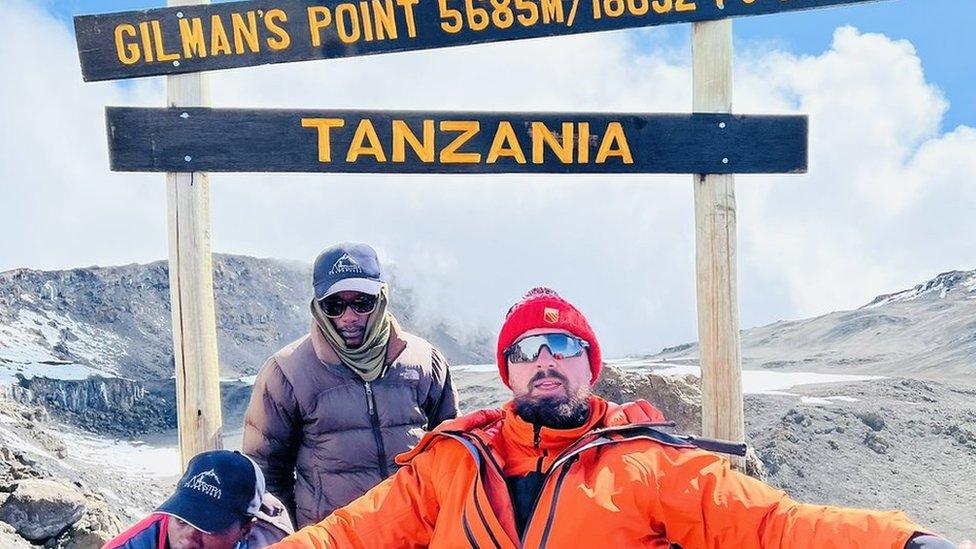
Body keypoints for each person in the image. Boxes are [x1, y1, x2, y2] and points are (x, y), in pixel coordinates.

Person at [268, 287, 956, 548]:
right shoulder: (452, 462)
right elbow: (349, 536)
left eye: (564, 345)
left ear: (590, 365)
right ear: (506, 370)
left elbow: (769, 523)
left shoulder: (647, 461)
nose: (547, 359)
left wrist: (900, 541)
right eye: (527, 349)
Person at [243, 242, 458, 528]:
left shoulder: (424, 361)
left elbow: (450, 450)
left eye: (362, 303)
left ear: (381, 299)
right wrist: (294, 537)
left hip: (417, 533)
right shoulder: (286, 372)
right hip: (331, 540)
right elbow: (266, 473)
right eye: (335, 305)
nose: (348, 317)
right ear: (318, 307)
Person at [104, 450, 293, 549]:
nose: (187, 541)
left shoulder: (275, 542)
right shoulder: (131, 546)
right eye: (180, 520)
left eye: (208, 528)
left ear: (245, 529)